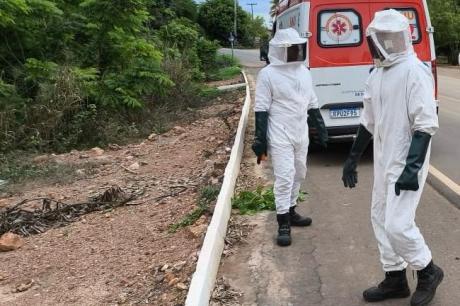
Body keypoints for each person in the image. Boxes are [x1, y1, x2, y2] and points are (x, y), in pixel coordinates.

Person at [342, 9, 443, 306]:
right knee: (379, 217)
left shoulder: (415, 70)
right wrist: (352, 158)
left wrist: (412, 169)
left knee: (398, 224)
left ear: (397, 39)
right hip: (384, 157)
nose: (380, 44)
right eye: (377, 39)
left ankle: (427, 271)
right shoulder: (377, 74)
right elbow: (367, 121)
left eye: (385, 38)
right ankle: (395, 278)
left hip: (408, 158)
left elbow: (425, 124)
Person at [252, 28, 328, 247]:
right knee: (285, 177)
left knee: (299, 172)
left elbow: (312, 102)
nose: (296, 51)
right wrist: (260, 140)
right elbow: (261, 109)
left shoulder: (304, 71)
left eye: (298, 47)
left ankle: (292, 210)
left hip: (300, 132)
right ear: (279, 50)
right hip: (279, 133)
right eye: (291, 48)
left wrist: (320, 128)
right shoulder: (268, 74)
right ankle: (282, 222)